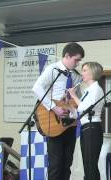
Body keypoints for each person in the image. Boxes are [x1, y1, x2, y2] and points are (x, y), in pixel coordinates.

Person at [32, 42, 84, 180]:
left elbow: (77, 97)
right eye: (76, 60)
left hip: (70, 123)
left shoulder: (76, 75)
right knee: (55, 164)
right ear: (67, 56)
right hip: (55, 121)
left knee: (67, 163)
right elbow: (37, 88)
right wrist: (54, 108)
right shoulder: (53, 69)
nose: (78, 63)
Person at [68, 62, 104, 180]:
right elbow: (80, 110)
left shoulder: (96, 89)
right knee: (87, 164)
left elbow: (84, 107)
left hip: (92, 127)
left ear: (92, 72)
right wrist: (68, 106)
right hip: (86, 127)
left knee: (90, 164)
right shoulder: (88, 90)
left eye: (84, 70)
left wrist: (73, 95)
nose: (82, 73)